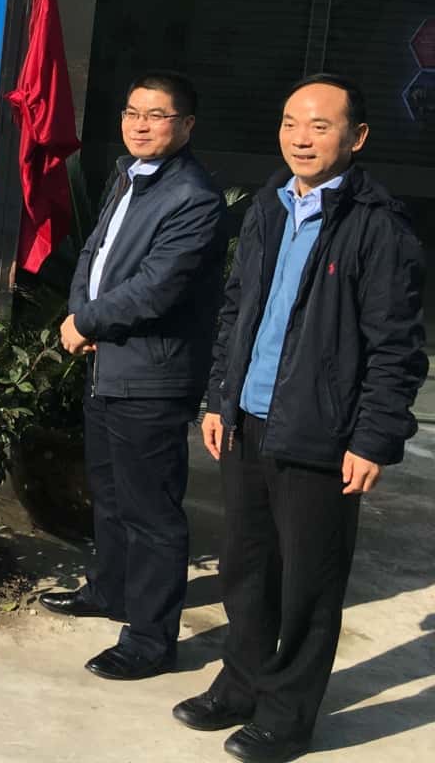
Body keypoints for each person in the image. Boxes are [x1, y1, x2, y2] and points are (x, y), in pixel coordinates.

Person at [172, 75, 426, 763]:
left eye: (320, 125)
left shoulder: (378, 226)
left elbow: (397, 347)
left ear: (356, 137)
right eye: (291, 123)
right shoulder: (269, 206)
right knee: (245, 568)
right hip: (249, 421)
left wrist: (373, 438)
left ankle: (287, 716)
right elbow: (236, 311)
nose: (301, 138)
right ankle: (241, 684)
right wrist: (221, 397)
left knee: (309, 584)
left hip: (323, 433)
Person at [40, 71, 226, 681]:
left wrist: (86, 321)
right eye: (132, 112)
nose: (140, 125)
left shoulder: (193, 197)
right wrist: (80, 312)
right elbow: (93, 255)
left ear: (187, 125)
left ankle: (150, 639)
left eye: (156, 115)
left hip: (152, 374)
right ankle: (110, 590)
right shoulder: (129, 176)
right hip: (108, 362)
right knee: (111, 493)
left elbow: (157, 288)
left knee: (151, 512)